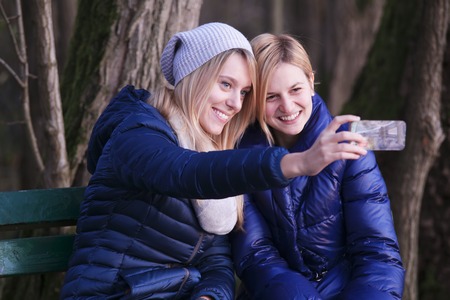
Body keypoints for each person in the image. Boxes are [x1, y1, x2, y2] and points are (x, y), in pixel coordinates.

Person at [60, 23, 368, 300]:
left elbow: (217, 259)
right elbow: (184, 172)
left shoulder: (211, 146)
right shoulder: (137, 132)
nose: (236, 103)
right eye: (225, 84)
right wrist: (295, 164)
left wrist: (210, 296)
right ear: (195, 75)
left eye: (244, 92)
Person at [230, 33, 405, 300]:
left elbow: (376, 251)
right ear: (253, 98)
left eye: (296, 89)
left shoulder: (349, 145)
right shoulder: (238, 154)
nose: (287, 106)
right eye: (271, 97)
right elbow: (256, 256)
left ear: (311, 81)